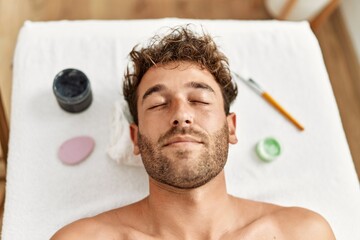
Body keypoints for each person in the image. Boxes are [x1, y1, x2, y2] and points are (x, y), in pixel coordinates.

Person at [51, 26, 335, 240]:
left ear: (230, 127)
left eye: (199, 100)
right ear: (135, 138)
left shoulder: (301, 233)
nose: (181, 115)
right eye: (159, 104)